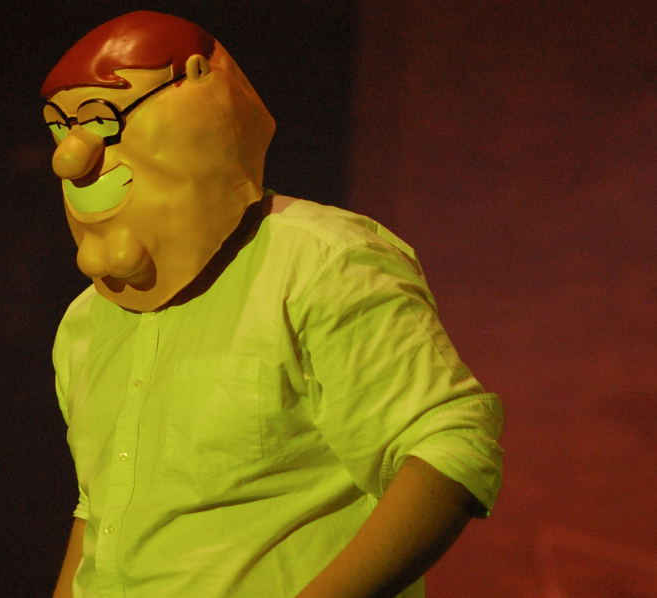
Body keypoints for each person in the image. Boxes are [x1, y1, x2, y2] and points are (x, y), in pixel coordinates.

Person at [41, 11, 503, 598]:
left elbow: (447, 448)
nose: (70, 155)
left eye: (101, 119)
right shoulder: (84, 323)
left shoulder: (320, 263)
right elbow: (101, 514)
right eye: (61, 126)